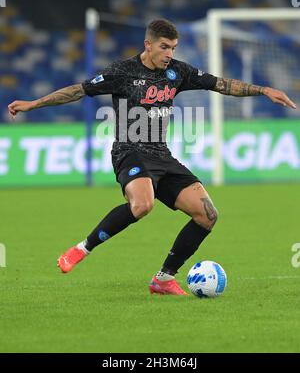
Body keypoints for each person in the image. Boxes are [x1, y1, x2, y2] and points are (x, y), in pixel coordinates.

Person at [8, 19, 296, 296]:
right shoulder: (122, 72)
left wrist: (263, 90)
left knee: (207, 215)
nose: (170, 54)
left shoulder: (178, 72)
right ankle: (82, 248)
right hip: (129, 150)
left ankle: (164, 279)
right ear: (148, 44)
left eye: (173, 47)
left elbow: (220, 84)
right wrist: (34, 104)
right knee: (143, 205)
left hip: (162, 155)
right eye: (164, 47)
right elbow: (77, 91)